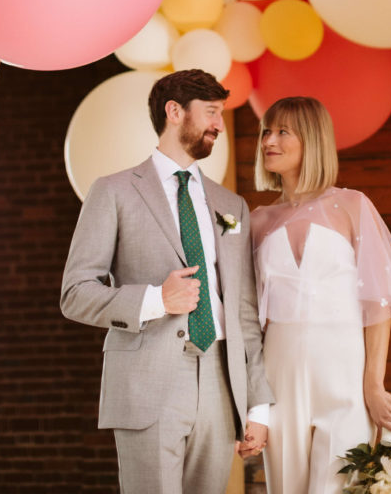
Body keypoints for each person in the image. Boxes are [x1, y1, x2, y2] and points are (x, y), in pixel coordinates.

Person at [61, 68, 273, 494]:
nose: (217, 123)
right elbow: (75, 294)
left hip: (220, 378)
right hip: (148, 379)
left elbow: (243, 311)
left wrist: (259, 405)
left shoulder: (231, 205)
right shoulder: (114, 191)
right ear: (174, 112)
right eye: (210, 112)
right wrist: (157, 299)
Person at [250, 96, 391, 494]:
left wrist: (373, 386)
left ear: (311, 139)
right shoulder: (258, 220)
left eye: (282, 131)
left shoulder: (352, 206)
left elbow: (377, 306)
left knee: (341, 486)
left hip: (342, 370)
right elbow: (248, 318)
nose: (269, 140)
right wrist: (252, 405)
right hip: (279, 370)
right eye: (266, 131)